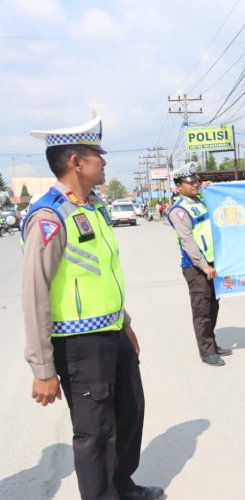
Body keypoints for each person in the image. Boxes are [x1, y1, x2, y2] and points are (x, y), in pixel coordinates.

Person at [21, 116, 164, 500]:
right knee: (95, 432)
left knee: (129, 412)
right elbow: (35, 294)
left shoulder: (94, 208)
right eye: (96, 155)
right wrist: (43, 368)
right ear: (75, 162)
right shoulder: (49, 216)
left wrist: (125, 322)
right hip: (79, 344)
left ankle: (122, 486)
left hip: (112, 333)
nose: (103, 162)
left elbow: (103, 274)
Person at [168, 162, 232, 366]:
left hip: (214, 263)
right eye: (190, 182)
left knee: (214, 305)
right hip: (196, 267)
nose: (195, 185)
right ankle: (206, 352)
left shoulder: (203, 201)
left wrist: (210, 188)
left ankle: (211, 343)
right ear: (179, 186)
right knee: (202, 310)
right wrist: (203, 265)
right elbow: (187, 241)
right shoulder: (178, 211)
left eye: (197, 181)